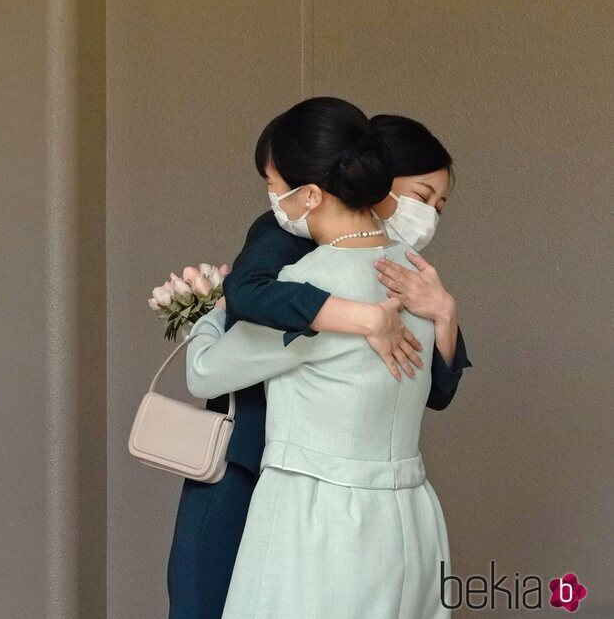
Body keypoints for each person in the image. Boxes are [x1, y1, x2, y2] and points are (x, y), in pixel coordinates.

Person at [166, 108, 470, 618]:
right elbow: (433, 388)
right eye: (424, 197)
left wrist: (211, 317)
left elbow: (205, 369)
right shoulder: (418, 282)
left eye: (273, 184)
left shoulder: (305, 286)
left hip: (317, 520)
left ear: (309, 193)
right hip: (412, 517)